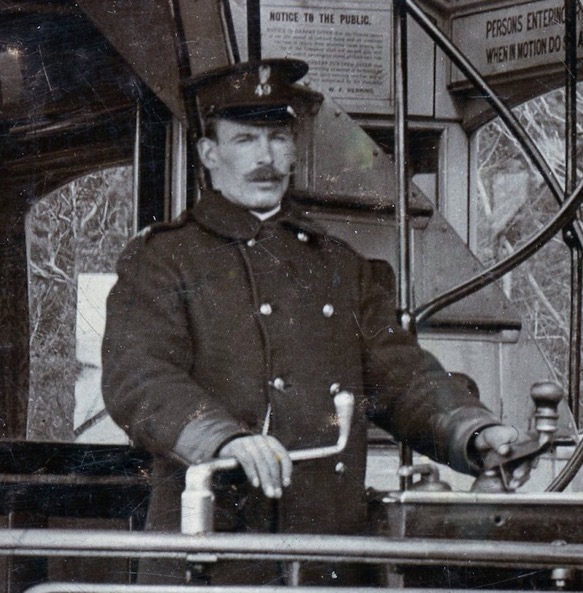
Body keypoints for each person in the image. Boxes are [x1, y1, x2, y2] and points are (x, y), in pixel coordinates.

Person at [101, 58, 530, 586]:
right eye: (244, 141)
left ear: (294, 149)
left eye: (278, 138)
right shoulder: (164, 259)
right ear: (208, 154)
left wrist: (472, 429)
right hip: (214, 553)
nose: (265, 158)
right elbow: (140, 378)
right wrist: (224, 440)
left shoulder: (337, 265)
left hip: (328, 550)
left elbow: (402, 375)